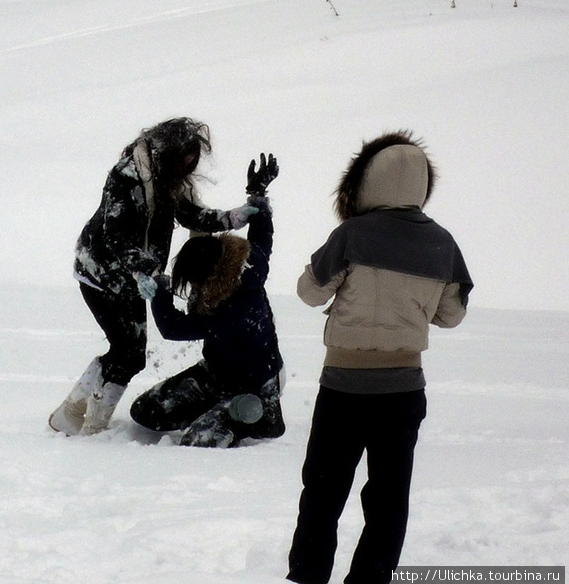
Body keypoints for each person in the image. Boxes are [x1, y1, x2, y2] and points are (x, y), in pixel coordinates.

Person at [286, 132, 473, 584]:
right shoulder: (443, 244)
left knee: (323, 494)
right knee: (389, 500)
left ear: (367, 181)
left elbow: (310, 293)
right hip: (403, 389)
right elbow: (452, 315)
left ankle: (307, 578)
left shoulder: (352, 234)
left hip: (343, 387)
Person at [49, 117, 260, 436]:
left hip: (134, 280)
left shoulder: (169, 180)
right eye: (185, 160)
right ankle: (91, 425)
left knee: (129, 353)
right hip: (101, 275)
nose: (188, 167)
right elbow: (115, 232)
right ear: (169, 153)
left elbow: (191, 214)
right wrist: (142, 269)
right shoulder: (127, 176)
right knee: (128, 353)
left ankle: (71, 413)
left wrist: (231, 217)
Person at [130, 153, 285, 447]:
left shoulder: (231, 310)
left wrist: (161, 291)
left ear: (208, 276)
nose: (191, 288)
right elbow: (262, 232)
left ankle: (263, 416)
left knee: (198, 442)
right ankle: (217, 407)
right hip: (217, 374)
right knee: (146, 412)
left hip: (255, 384)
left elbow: (173, 328)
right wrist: (257, 194)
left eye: (192, 281)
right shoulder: (248, 263)